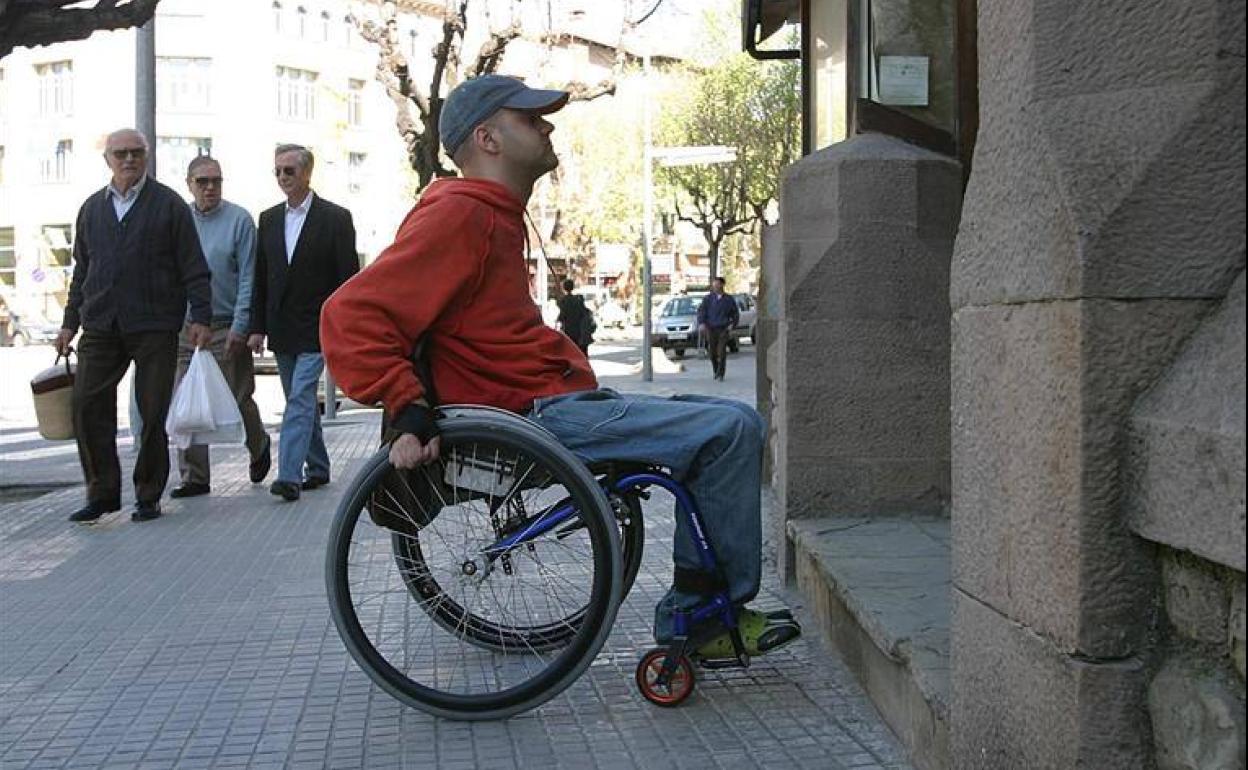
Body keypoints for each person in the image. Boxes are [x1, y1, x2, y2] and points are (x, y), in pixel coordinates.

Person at [320, 75, 799, 656]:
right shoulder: (460, 217)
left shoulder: (492, 214)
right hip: (534, 417)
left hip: (547, 404)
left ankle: (705, 602)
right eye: (529, 119)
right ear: (487, 139)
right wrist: (405, 404)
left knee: (719, 420)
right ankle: (703, 618)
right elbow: (349, 313)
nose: (547, 126)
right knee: (732, 429)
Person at [54, 128, 213, 523]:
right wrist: (68, 323)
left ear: (146, 156)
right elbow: (82, 272)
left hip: (154, 325)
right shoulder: (92, 209)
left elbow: (194, 267)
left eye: (136, 153)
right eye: (121, 154)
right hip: (101, 324)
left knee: (152, 412)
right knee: (87, 406)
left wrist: (202, 318)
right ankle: (102, 493)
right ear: (107, 159)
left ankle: (148, 495)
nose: (129, 160)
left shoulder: (169, 205)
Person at [249, 144, 358, 502]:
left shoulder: (336, 219)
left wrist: (346, 327)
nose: (282, 178)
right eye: (277, 171)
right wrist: (257, 326)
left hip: (317, 326)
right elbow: (261, 276)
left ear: (307, 173)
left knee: (298, 399)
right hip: (281, 328)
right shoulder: (268, 219)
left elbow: (348, 279)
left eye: (289, 171)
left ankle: (289, 476)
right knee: (300, 400)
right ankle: (319, 466)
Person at [168, 156, 271, 499]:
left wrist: (241, 326)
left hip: (226, 325)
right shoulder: (179, 220)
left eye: (216, 180)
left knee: (239, 397)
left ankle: (258, 445)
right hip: (185, 327)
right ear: (189, 184)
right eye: (202, 181)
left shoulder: (239, 221)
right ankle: (195, 477)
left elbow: (248, 279)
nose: (210, 187)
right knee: (187, 401)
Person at [697, 277, 738, 381]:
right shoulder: (708, 299)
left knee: (722, 351)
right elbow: (701, 311)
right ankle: (716, 369)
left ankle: (721, 373)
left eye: (717, 285)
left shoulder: (729, 299)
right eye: (713, 285)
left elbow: (735, 314)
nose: (715, 287)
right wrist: (701, 323)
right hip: (711, 329)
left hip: (723, 329)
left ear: (722, 285)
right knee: (712, 353)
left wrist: (732, 325)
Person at [555, 277, 594, 355]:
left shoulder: (564, 301)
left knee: (571, 353)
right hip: (580, 332)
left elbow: (562, 317)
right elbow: (584, 313)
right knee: (581, 354)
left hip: (569, 332)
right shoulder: (578, 300)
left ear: (564, 288)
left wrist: (558, 320)